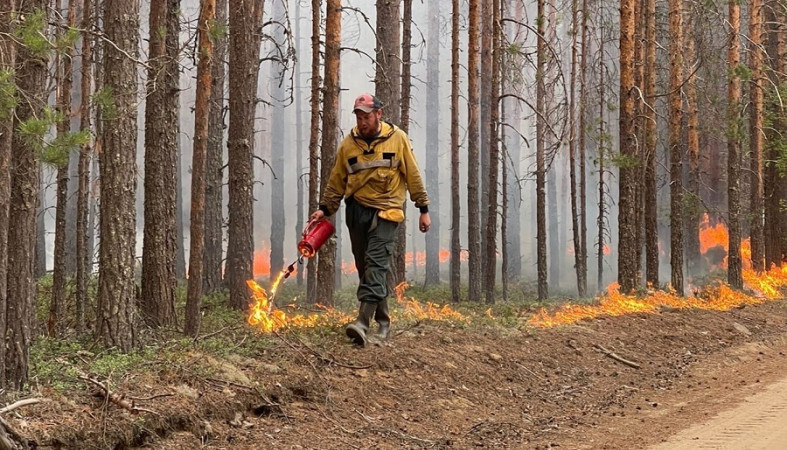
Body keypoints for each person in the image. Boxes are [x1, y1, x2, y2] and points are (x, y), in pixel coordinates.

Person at [310, 93, 431, 346]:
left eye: (367, 116)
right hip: (357, 210)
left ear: (378, 114)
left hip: (387, 210)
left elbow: (413, 173)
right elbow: (336, 180)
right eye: (359, 116)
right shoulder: (348, 145)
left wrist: (423, 207)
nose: (363, 121)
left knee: (376, 264)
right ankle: (384, 321)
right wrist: (324, 208)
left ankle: (362, 323)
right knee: (367, 269)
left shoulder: (397, 138)